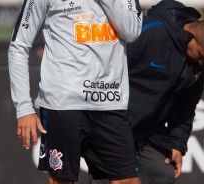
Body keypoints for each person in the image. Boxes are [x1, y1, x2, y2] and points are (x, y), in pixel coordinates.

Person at [89, 0, 204, 184]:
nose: (202, 63)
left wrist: (178, 144)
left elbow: (187, 104)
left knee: (162, 174)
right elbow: (103, 72)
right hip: (113, 125)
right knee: (109, 179)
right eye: (202, 56)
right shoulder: (149, 31)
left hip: (149, 132)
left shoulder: (200, 59)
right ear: (192, 36)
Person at [8, 0, 142, 184]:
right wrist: (23, 107)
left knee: (128, 180)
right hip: (63, 103)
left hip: (110, 102)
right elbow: (18, 46)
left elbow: (132, 32)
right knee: (61, 181)